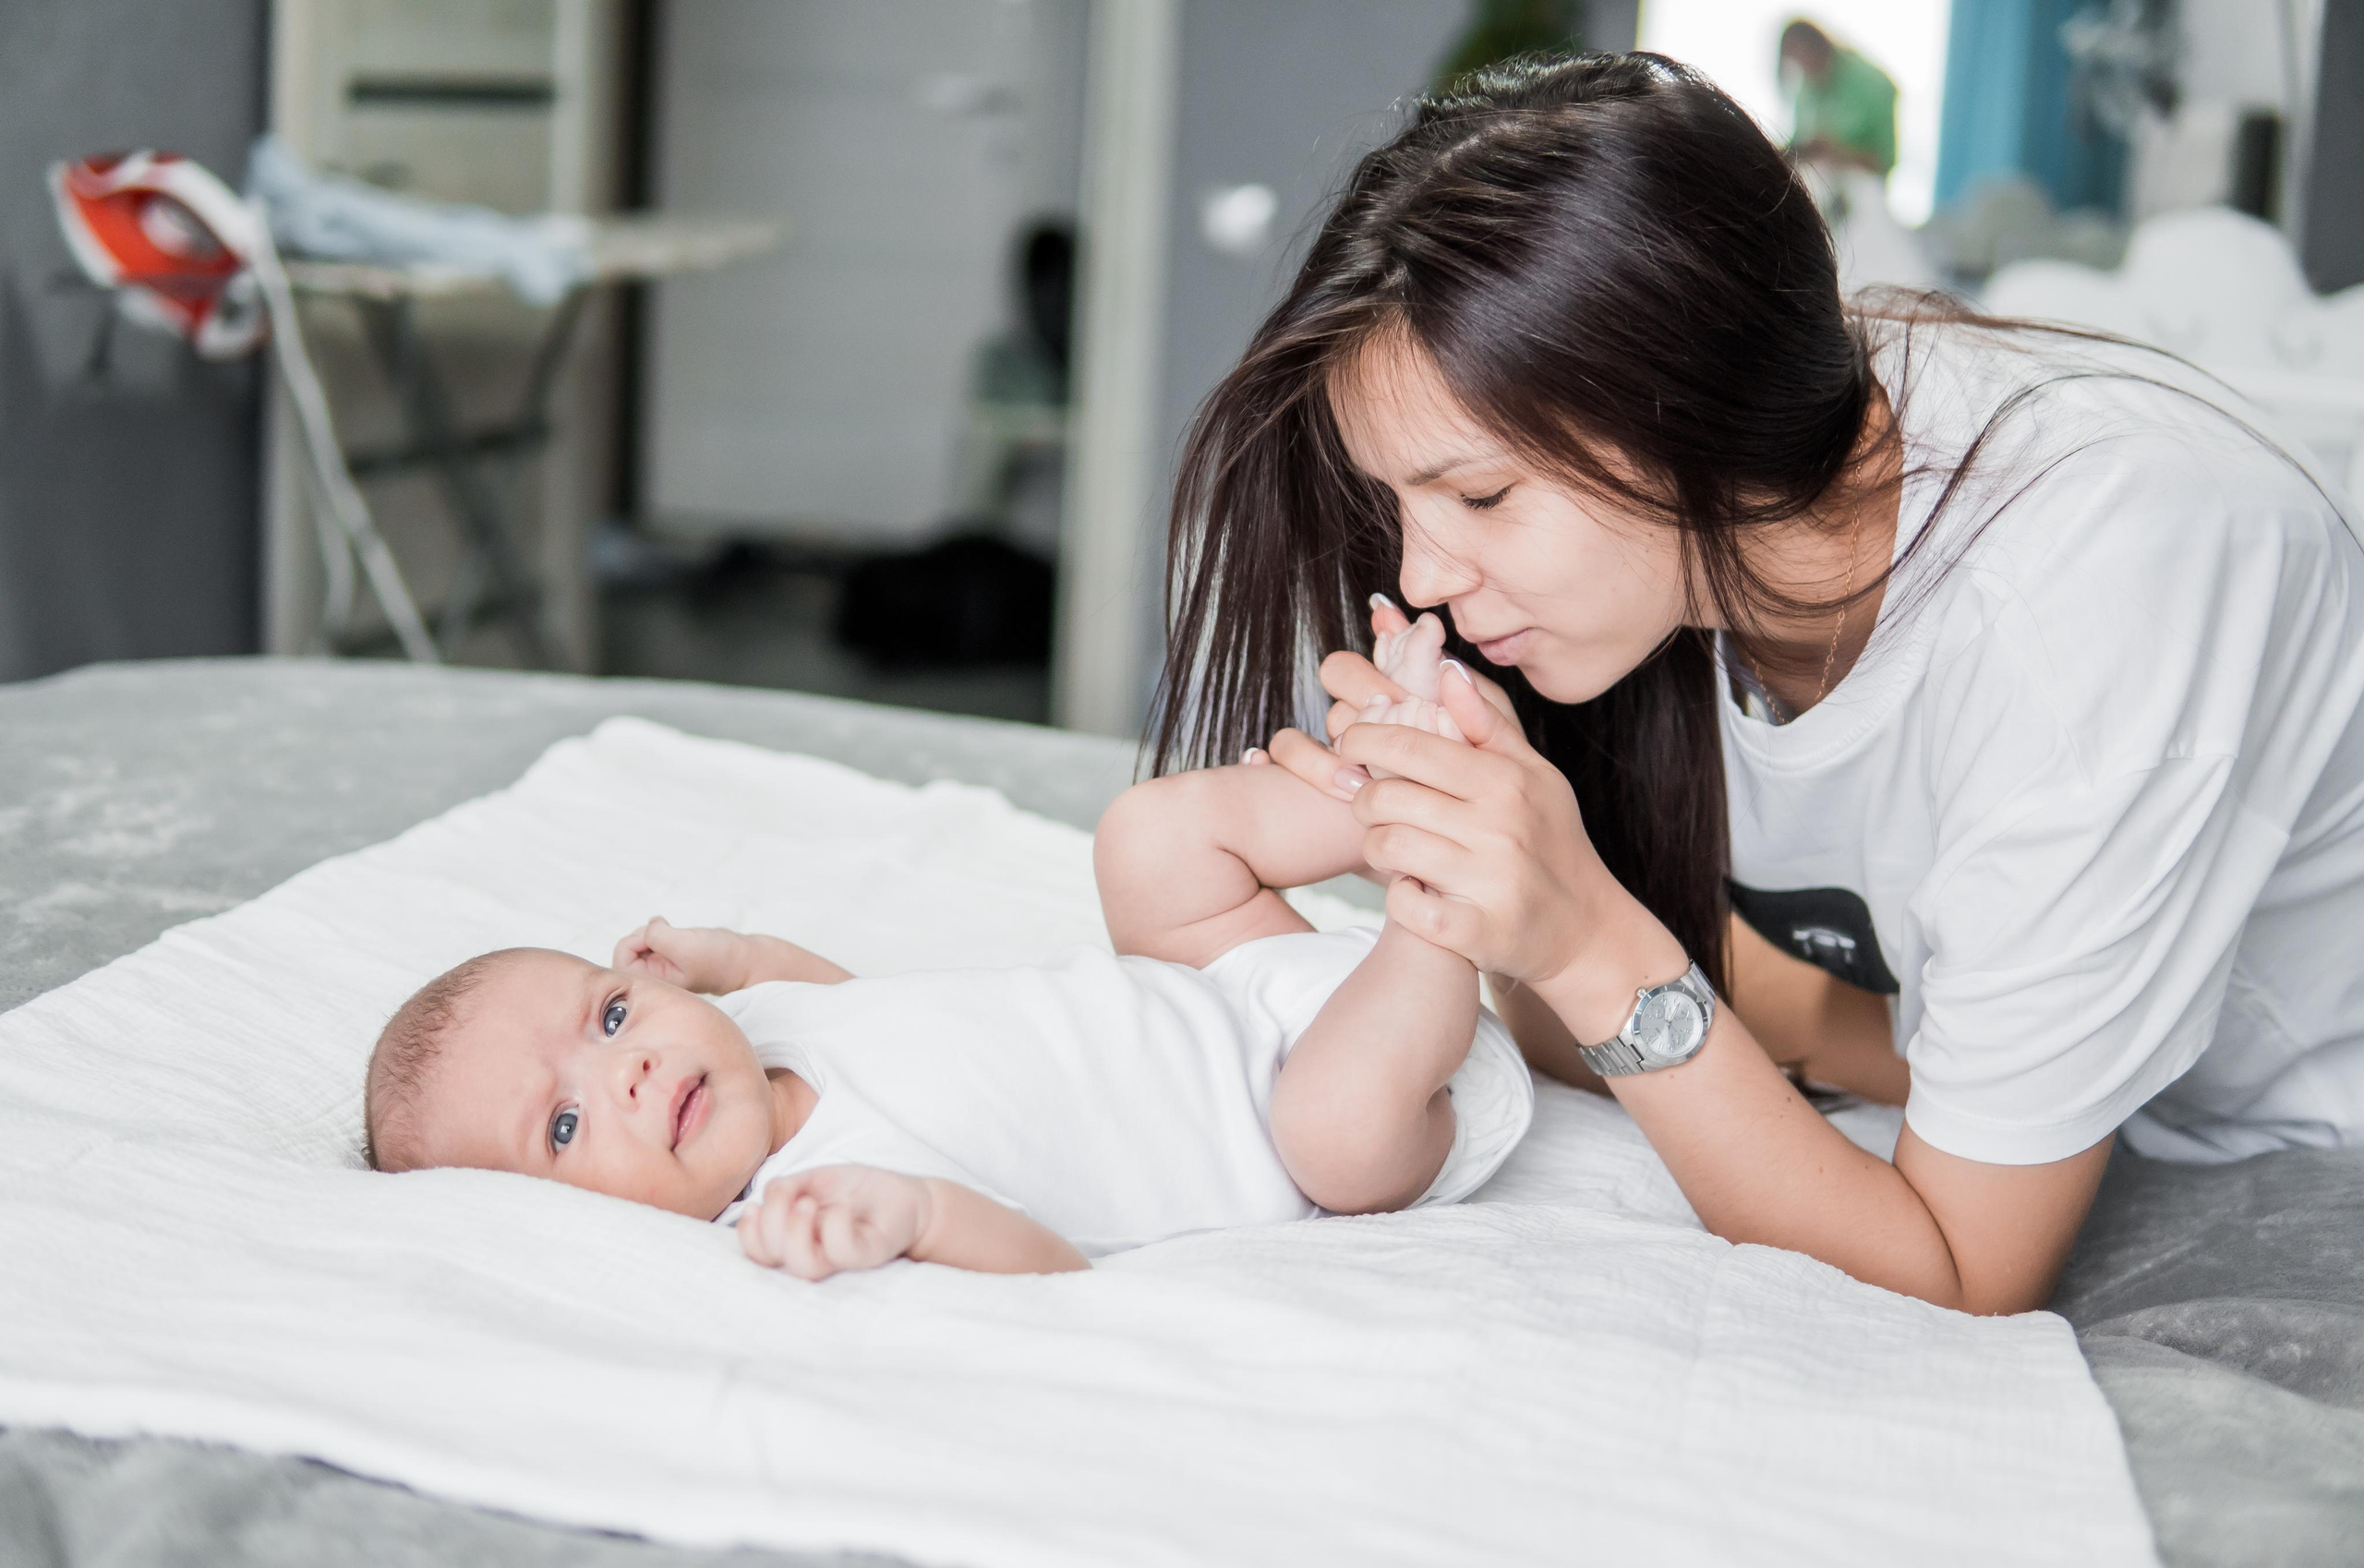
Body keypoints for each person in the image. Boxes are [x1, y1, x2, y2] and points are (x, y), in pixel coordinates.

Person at [1158, 54, 2364, 1316]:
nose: (1423, 575)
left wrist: (1581, 931)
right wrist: (1493, 897)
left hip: (2292, 1155)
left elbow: (1955, 1278)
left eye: (1481, 495)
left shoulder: (2106, 595)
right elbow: (1659, 1014)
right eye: (1394, 502)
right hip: (1989, 1057)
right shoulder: (1702, 543)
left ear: (1684, 401)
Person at [360, 621, 1531, 1279]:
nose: (623, 1073)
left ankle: (1406, 786)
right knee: (1332, 1133)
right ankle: (1449, 887)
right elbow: (1048, 1269)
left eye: (610, 1015)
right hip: (1333, 1116)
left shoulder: (765, 1038)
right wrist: (917, 1220)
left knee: (1145, 837)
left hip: (1228, 987)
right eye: (564, 1128)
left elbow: (846, 1000)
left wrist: (725, 956)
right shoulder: (816, 1203)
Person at [1779, 19, 1896, 177]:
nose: (1801, 68)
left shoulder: (1871, 84)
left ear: (1817, 48)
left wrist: (1837, 153)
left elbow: (1885, 161)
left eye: (1801, 57)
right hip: (1815, 177)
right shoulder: (1806, 88)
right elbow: (1800, 142)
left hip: (1861, 183)